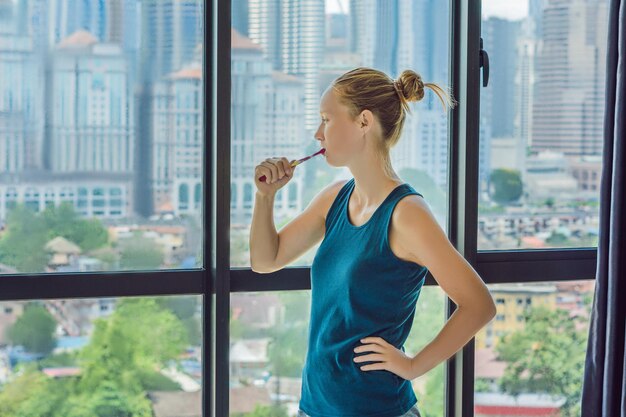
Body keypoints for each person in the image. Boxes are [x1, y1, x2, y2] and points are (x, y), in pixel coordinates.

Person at [250, 67, 496, 417]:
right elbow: (265, 260)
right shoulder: (333, 199)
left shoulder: (407, 214)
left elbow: (479, 304)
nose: (318, 134)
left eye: (326, 120)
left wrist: (412, 366)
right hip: (314, 406)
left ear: (364, 122)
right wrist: (265, 197)